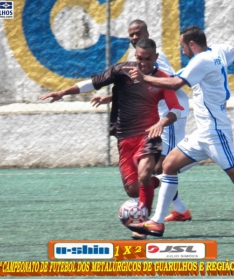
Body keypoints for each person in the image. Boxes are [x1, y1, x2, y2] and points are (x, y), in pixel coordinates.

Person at [125, 25, 234, 237]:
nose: (182, 51)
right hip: (203, 132)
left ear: (191, 44)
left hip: (215, 131)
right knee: (169, 165)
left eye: (182, 46)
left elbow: (175, 83)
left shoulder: (200, 61)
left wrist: (144, 79)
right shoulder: (218, 50)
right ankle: (157, 222)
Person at [39, 38, 184, 239]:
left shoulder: (161, 79)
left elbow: (176, 109)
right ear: (135, 56)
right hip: (124, 138)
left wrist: (160, 123)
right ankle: (162, 181)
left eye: (148, 59)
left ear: (156, 57)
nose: (143, 63)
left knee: (143, 174)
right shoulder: (121, 70)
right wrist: (64, 92)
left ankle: (143, 225)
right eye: (140, 58)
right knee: (133, 190)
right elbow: (93, 82)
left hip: (148, 134)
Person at [91, 19, 194, 223]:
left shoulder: (155, 57)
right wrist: (113, 97)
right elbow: (141, 88)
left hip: (168, 115)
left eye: (139, 33)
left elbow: (167, 83)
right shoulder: (138, 58)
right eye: (131, 34)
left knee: (162, 167)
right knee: (156, 169)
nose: (135, 37)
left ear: (147, 33)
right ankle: (179, 209)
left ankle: (200, 156)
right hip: (155, 118)